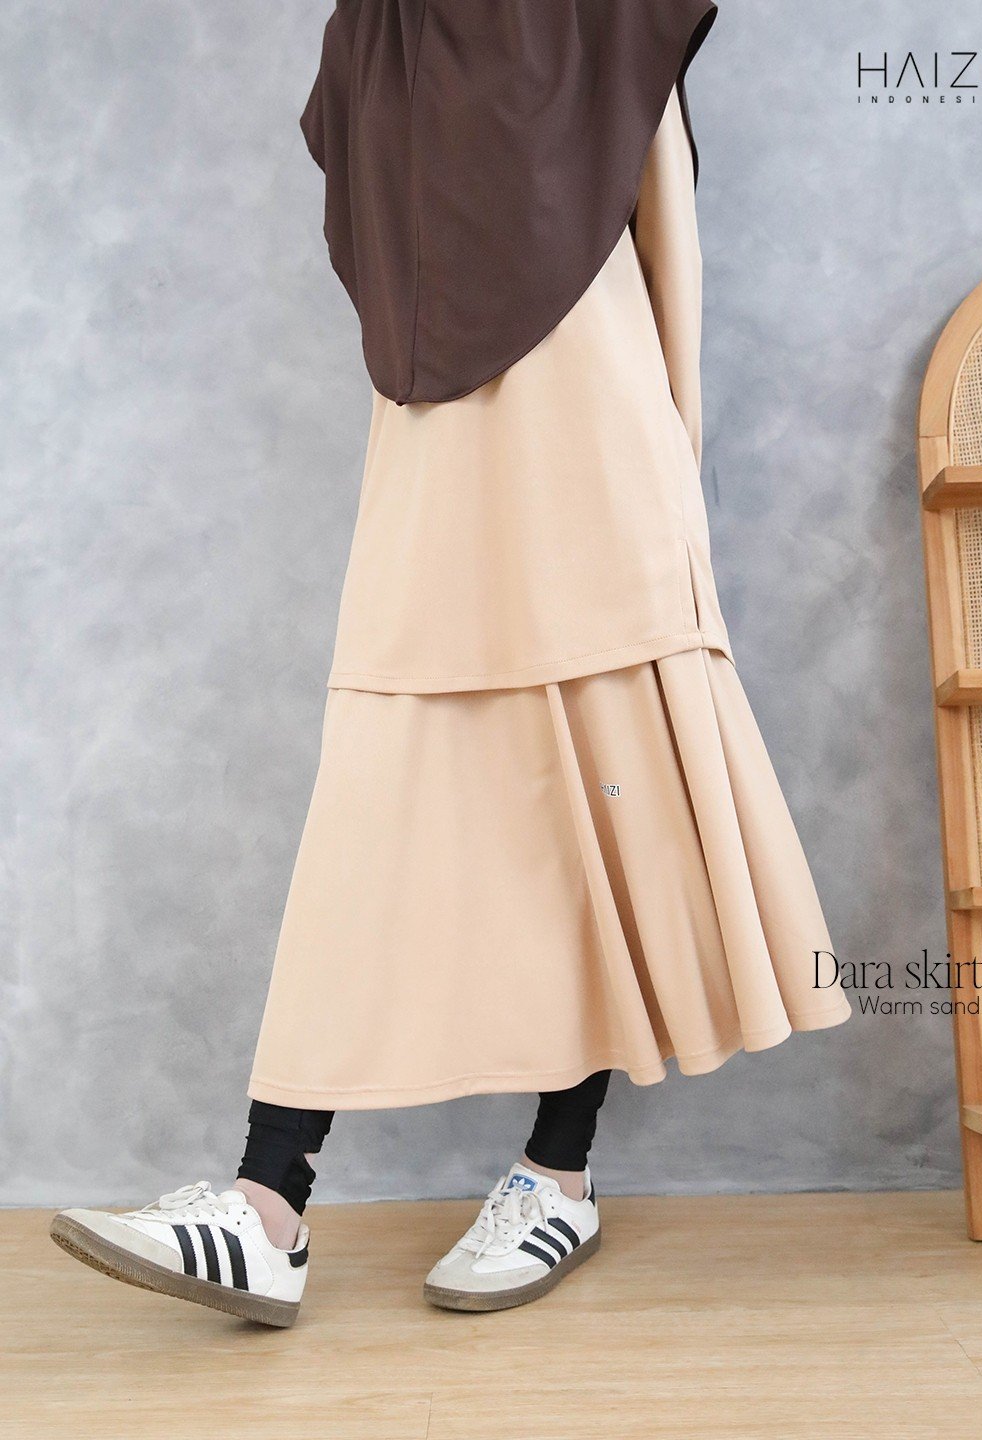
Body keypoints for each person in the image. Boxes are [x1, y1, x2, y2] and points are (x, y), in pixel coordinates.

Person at [50, 0, 851, 1326]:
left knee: (599, 776)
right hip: (438, 439)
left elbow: (666, 227)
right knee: (385, 781)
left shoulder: (597, 15)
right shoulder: (379, 26)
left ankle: (555, 1173)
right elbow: (391, 233)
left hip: (590, 430)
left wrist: (672, 481)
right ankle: (266, 1203)